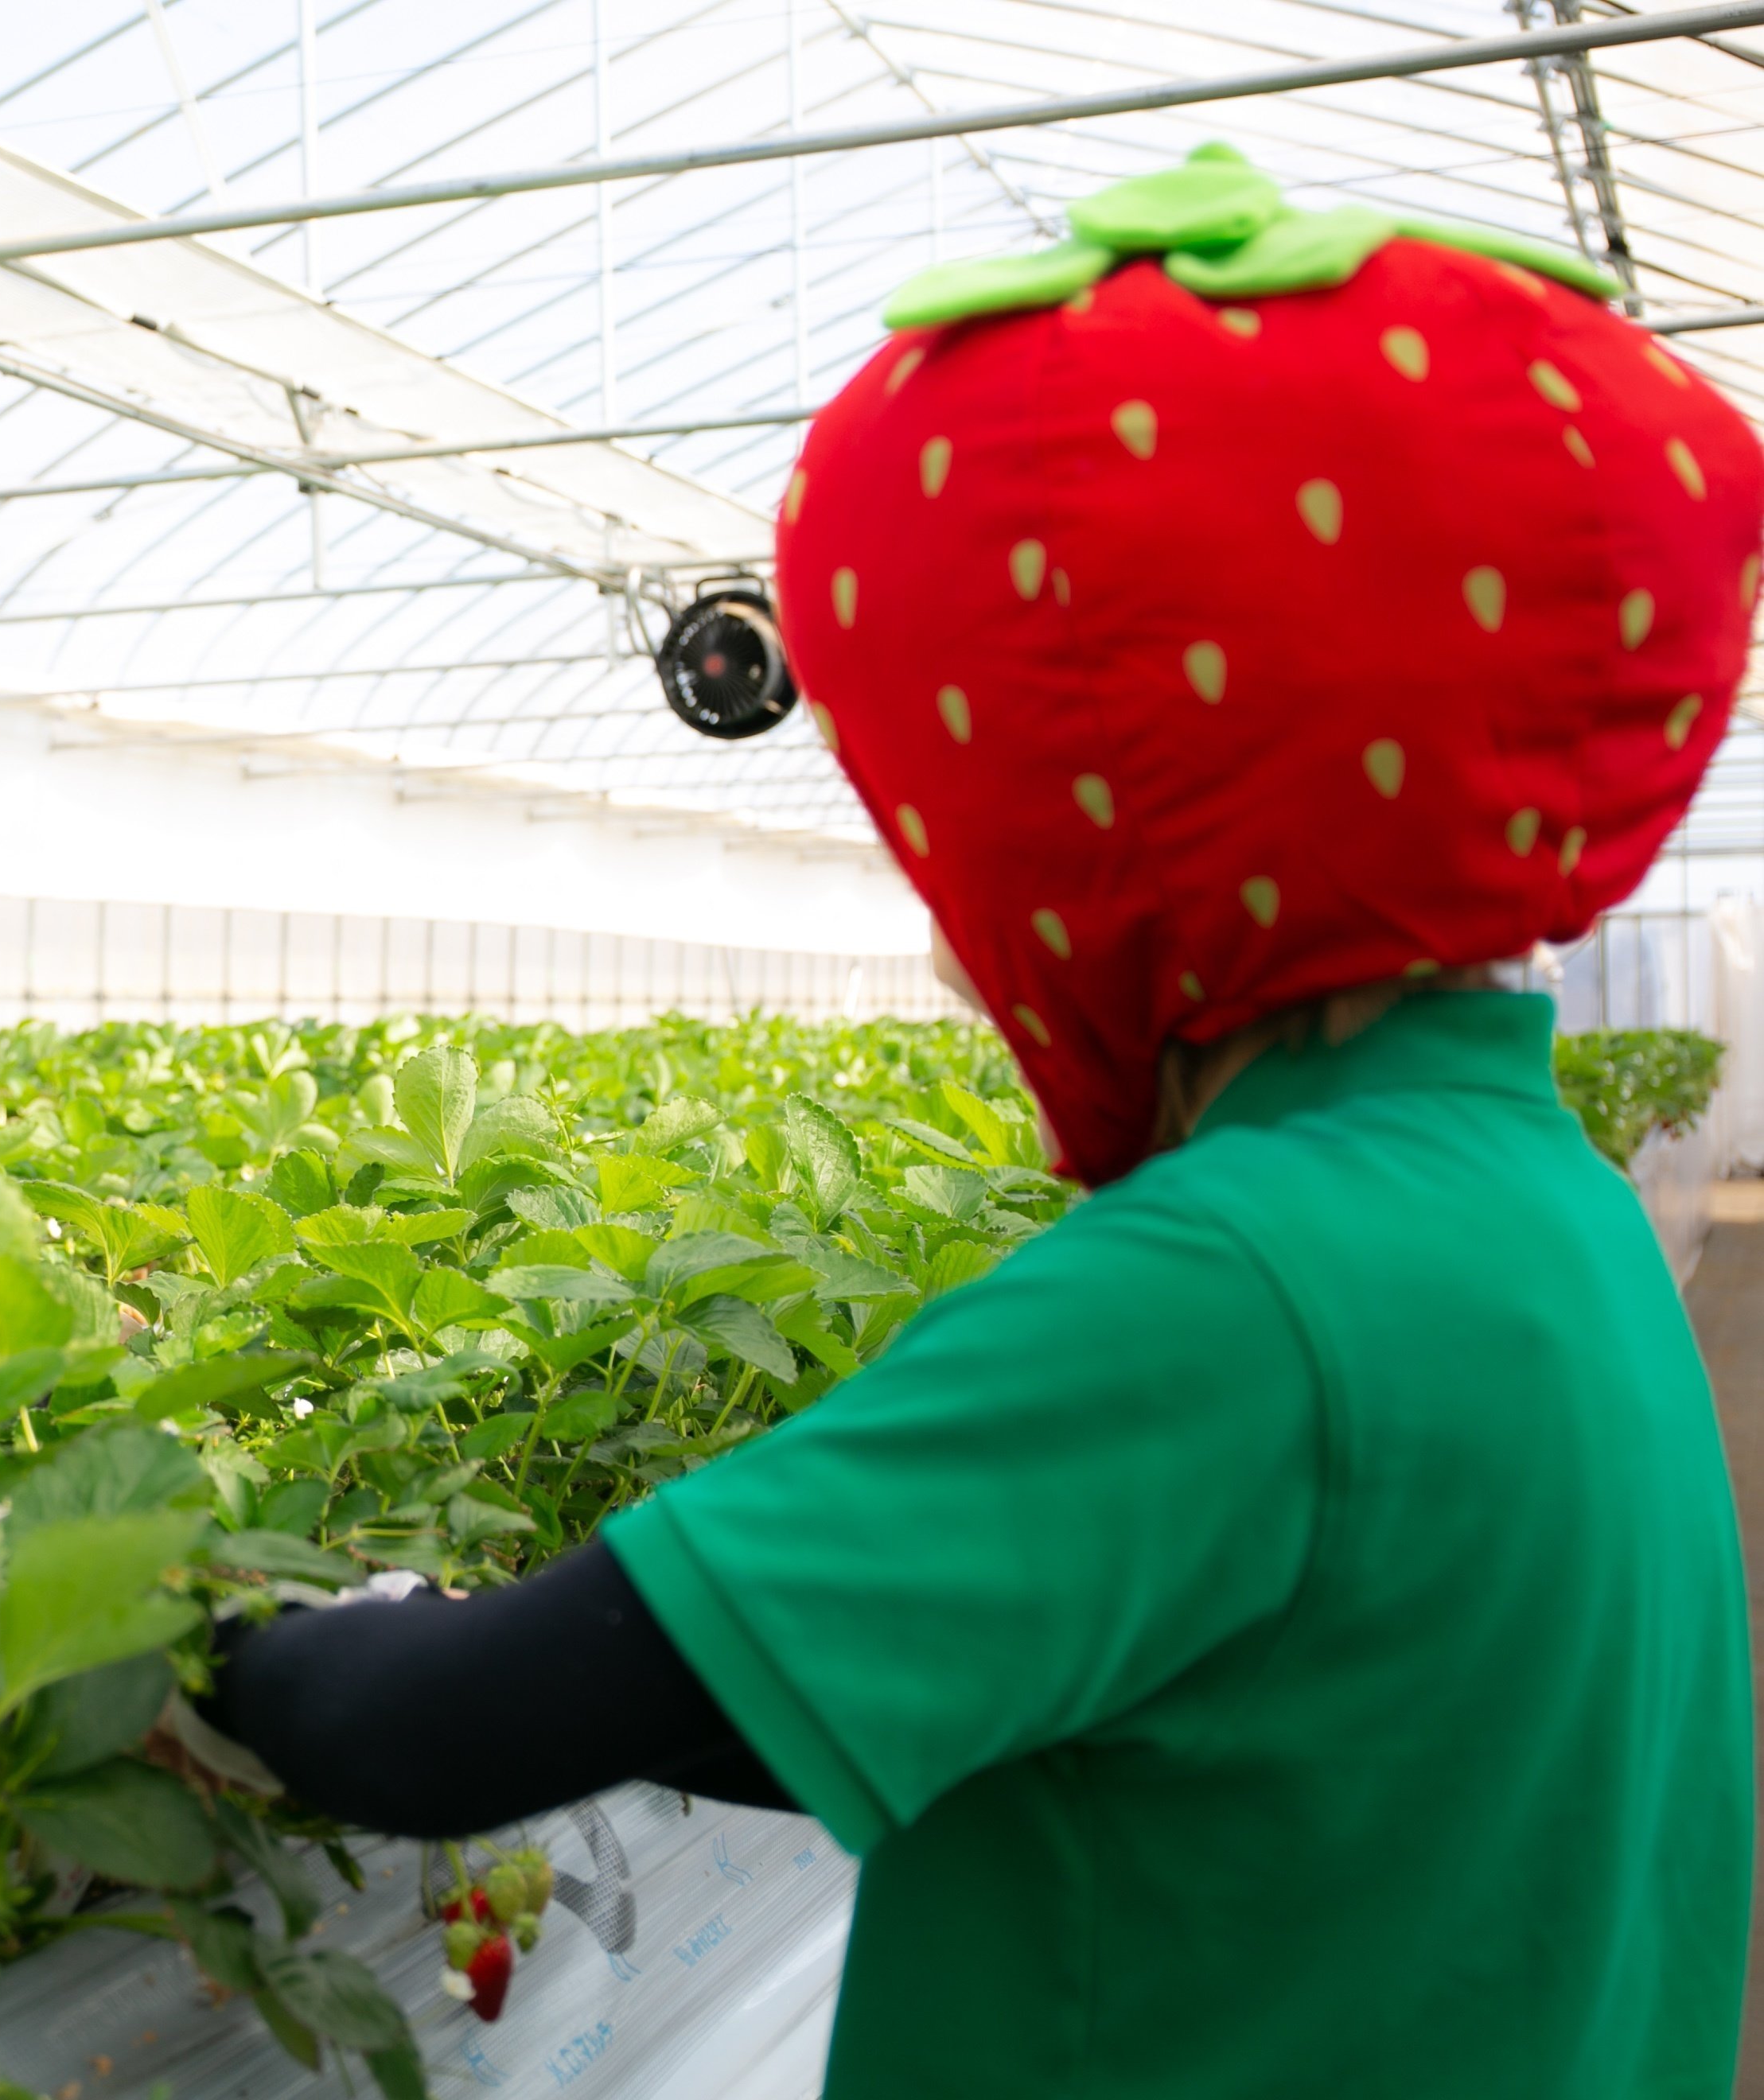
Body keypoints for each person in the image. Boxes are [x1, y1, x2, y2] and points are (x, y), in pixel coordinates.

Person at [198, 148, 1761, 2097]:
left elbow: (421, 1737)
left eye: (968, 849)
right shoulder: (1532, 1213)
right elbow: (1028, 1677)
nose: (954, 948)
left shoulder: (1232, 1290)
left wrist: (231, 1632)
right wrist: (613, 1649)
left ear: (1128, 850)